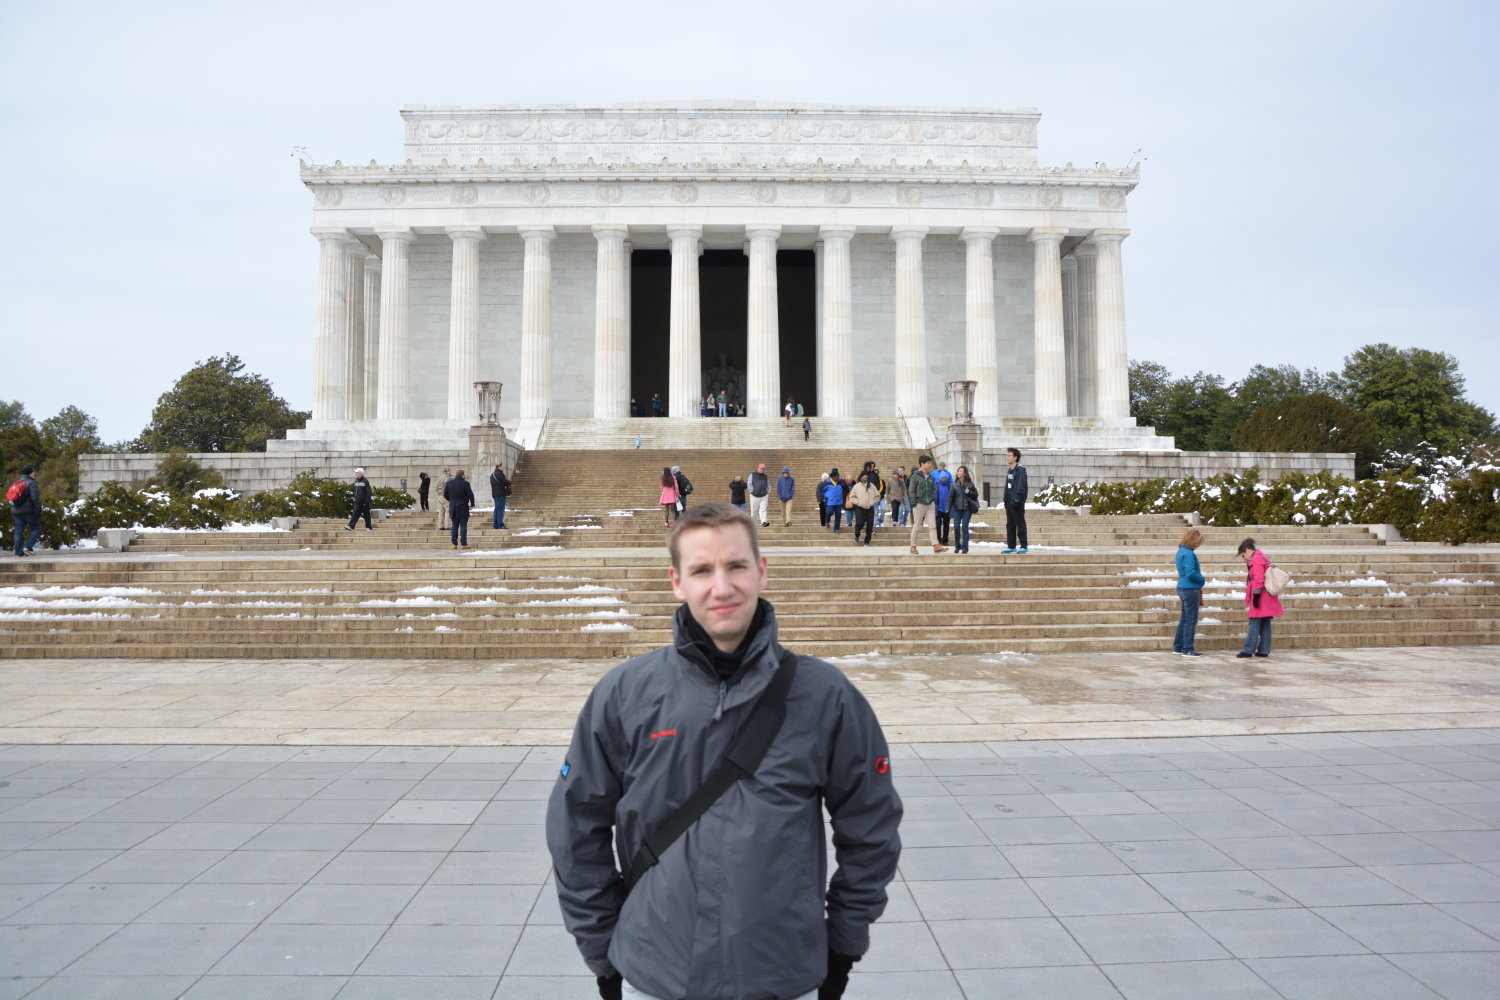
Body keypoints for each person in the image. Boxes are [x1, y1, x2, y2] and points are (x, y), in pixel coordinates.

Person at [547, 504, 902, 1000]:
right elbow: (575, 827)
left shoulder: (826, 696)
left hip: (783, 974)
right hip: (656, 971)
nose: (721, 587)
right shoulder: (624, 694)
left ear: (761, 571)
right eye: (701, 570)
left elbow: (870, 824)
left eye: (736, 566)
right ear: (677, 582)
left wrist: (844, 942)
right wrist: (602, 949)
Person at [1237, 538, 1284, 658]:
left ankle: (1248, 650)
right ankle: (1264, 650)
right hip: (1268, 596)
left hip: (1261, 596)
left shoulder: (1256, 560)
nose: (1244, 559)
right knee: (1265, 623)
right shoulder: (1262, 556)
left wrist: (1256, 596)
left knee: (1254, 623)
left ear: (1247, 550)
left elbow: (1258, 579)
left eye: (1243, 556)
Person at [1175, 529, 1206, 656]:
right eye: (1198, 542)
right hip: (1190, 588)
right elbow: (1191, 573)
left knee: (1185, 619)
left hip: (1182, 587)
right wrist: (1202, 579)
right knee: (1191, 620)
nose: (1198, 545)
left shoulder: (1180, 551)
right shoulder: (1188, 554)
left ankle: (1178, 646)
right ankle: (1187, 649)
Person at [907, 455, 944, 554]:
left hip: (930, 504)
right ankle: (913, 546)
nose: (930, 465)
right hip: (919, 504)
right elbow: (911, 491)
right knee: (917, 526)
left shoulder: (931, 477)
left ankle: (936, 545)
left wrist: (933, 500)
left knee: (932, 525)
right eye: (928, 463)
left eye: (930, 463)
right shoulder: (915, 476)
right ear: (922, 464)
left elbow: (933, 490)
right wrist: (914, 503)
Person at [9, 465, 42, 557]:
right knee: (36, 528)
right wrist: (38, 509)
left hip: (16, 511)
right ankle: (28, 547)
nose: (34, 474)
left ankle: (18, 552)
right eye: (33, 472)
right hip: (29, 512)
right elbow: (34, 498)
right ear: (29, 474)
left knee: (18, 531)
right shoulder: (32, 484)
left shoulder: (16, 483)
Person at [1002, 448, 1029, 554]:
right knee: (1010, 524)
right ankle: (1011, 546)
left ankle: (1024, 546)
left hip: (1017, 502)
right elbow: (1007, 487)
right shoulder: (1010, 470)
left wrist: (1017, 498)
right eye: (1007, 455)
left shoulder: (1020, 470)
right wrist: (1005, 500)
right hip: (1009, 502)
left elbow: (1021, 485)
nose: (1007, 457)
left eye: (1009, 456)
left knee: (1020, 523)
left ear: (1015, 457)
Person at [950, 465, 980, 554]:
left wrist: (969, 492)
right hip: (956, 509)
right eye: (958, 471)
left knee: (965, 527)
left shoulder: (970, 484)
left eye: (961, 471)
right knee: (956, 527)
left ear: (965, 473)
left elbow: (976, 495)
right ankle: (957, 546)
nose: (959, 473)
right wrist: (948, 509)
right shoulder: (954, 484)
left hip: (967, 509)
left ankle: (965, 548)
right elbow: (950, 497)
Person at [443, 470, 476, 549]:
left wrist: (451, 501)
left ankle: (454, 544)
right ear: (462, 475)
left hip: (453, 508)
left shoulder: (449, 483)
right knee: (463, 526)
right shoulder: (466, 483)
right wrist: (472, 504)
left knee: (454, 526)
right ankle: (464, 544)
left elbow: (445, 494)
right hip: (463, 507)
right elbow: (471, 495)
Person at [848, 472, 878, 546]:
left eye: (866, 478)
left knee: (870, 525)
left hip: (870, 508)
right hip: (860, 508)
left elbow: (877, 496)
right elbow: (851, 497)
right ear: (861, 477)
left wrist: (872, 502)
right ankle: (857, 535)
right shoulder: (856, 486)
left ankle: (867, 541)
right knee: (860, 523)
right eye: (863, 477)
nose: (865, 479)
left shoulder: (872, 486)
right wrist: (858, 502)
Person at [932, 462, 953, 547]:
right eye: (942, 477)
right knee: (937, 525)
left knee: (946, 525)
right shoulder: (936, 486)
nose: (944, 479)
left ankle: (945, 540)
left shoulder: (949, 486)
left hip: (947, 508)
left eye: (945, 478)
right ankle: (938, 540)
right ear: (940, 478)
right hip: (938, 508)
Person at [747, 462, 771, 527]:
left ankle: (764, 522)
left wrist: (769, 488)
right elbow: (749, 484)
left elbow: (768, 483)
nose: (762, 470)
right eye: (761, 468)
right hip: (754, 496)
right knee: (754, 511)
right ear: (758, 468)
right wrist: (752, 491)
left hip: (764, 495)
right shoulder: (752, 475)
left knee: (763, 509)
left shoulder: (765, 476)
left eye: (763, 469)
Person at [489, 463, 512, 530]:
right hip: (500, 494)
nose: (503, 467)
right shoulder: (500, 473)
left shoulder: (492, 475)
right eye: (502, 466)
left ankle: (495, 525)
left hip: (495, 494)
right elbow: (505, 481)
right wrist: (509, 482)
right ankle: (500, 524)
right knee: (501, 509)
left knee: (496, 509)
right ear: (499, 467)